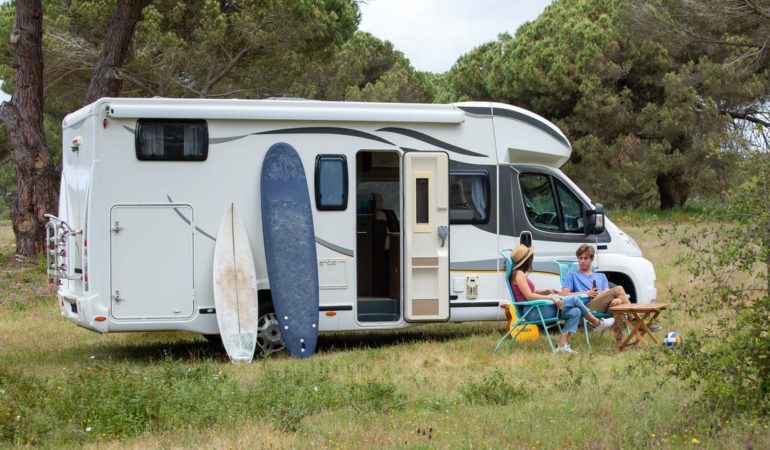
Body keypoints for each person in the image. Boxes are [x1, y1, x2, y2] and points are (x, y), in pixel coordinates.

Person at [509, 244, 613, 354]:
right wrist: (551, 298)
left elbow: (531, 292)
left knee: (575, 311)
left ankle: (562, 345)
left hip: (535, 308)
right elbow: (529, 296)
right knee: (574, 300)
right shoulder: (519, 274)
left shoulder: (517, 273)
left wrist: (547, 290)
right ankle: (596, 323)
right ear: (526, 260)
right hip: (533, 311)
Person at [560, 244, 657, 349]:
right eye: (580, 258)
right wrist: (586, 293)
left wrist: (602, 295)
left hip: (604, 304)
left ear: (591, 259)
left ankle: (619, 344)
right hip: (588, 306)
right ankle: (637, 320)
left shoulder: (601, 276)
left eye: (586, 258)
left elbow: (608, 292)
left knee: (617, 303)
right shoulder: (573, 275)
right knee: (618, 288)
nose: (582, 261)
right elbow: (564, 294)